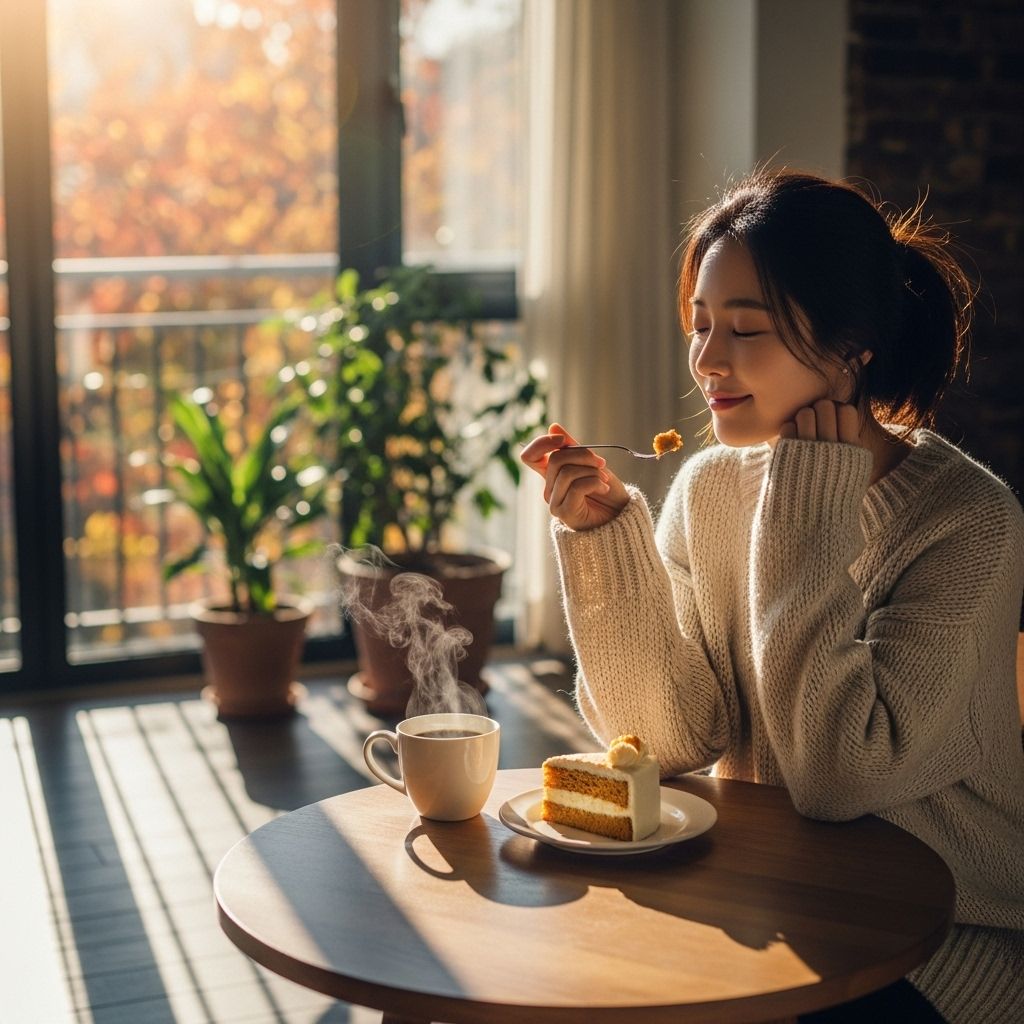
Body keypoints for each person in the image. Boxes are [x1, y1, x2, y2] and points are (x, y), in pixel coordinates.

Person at [521, 170, 1024, 1024]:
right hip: (765, 899)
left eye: (745, 329)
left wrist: (805, 507)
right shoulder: (709, 488)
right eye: (701, 326)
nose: (708, 360)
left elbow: (837, 776)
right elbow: (674, 739)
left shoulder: (970, 522)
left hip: (940, 936)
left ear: (850, 350)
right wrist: (611, 545)